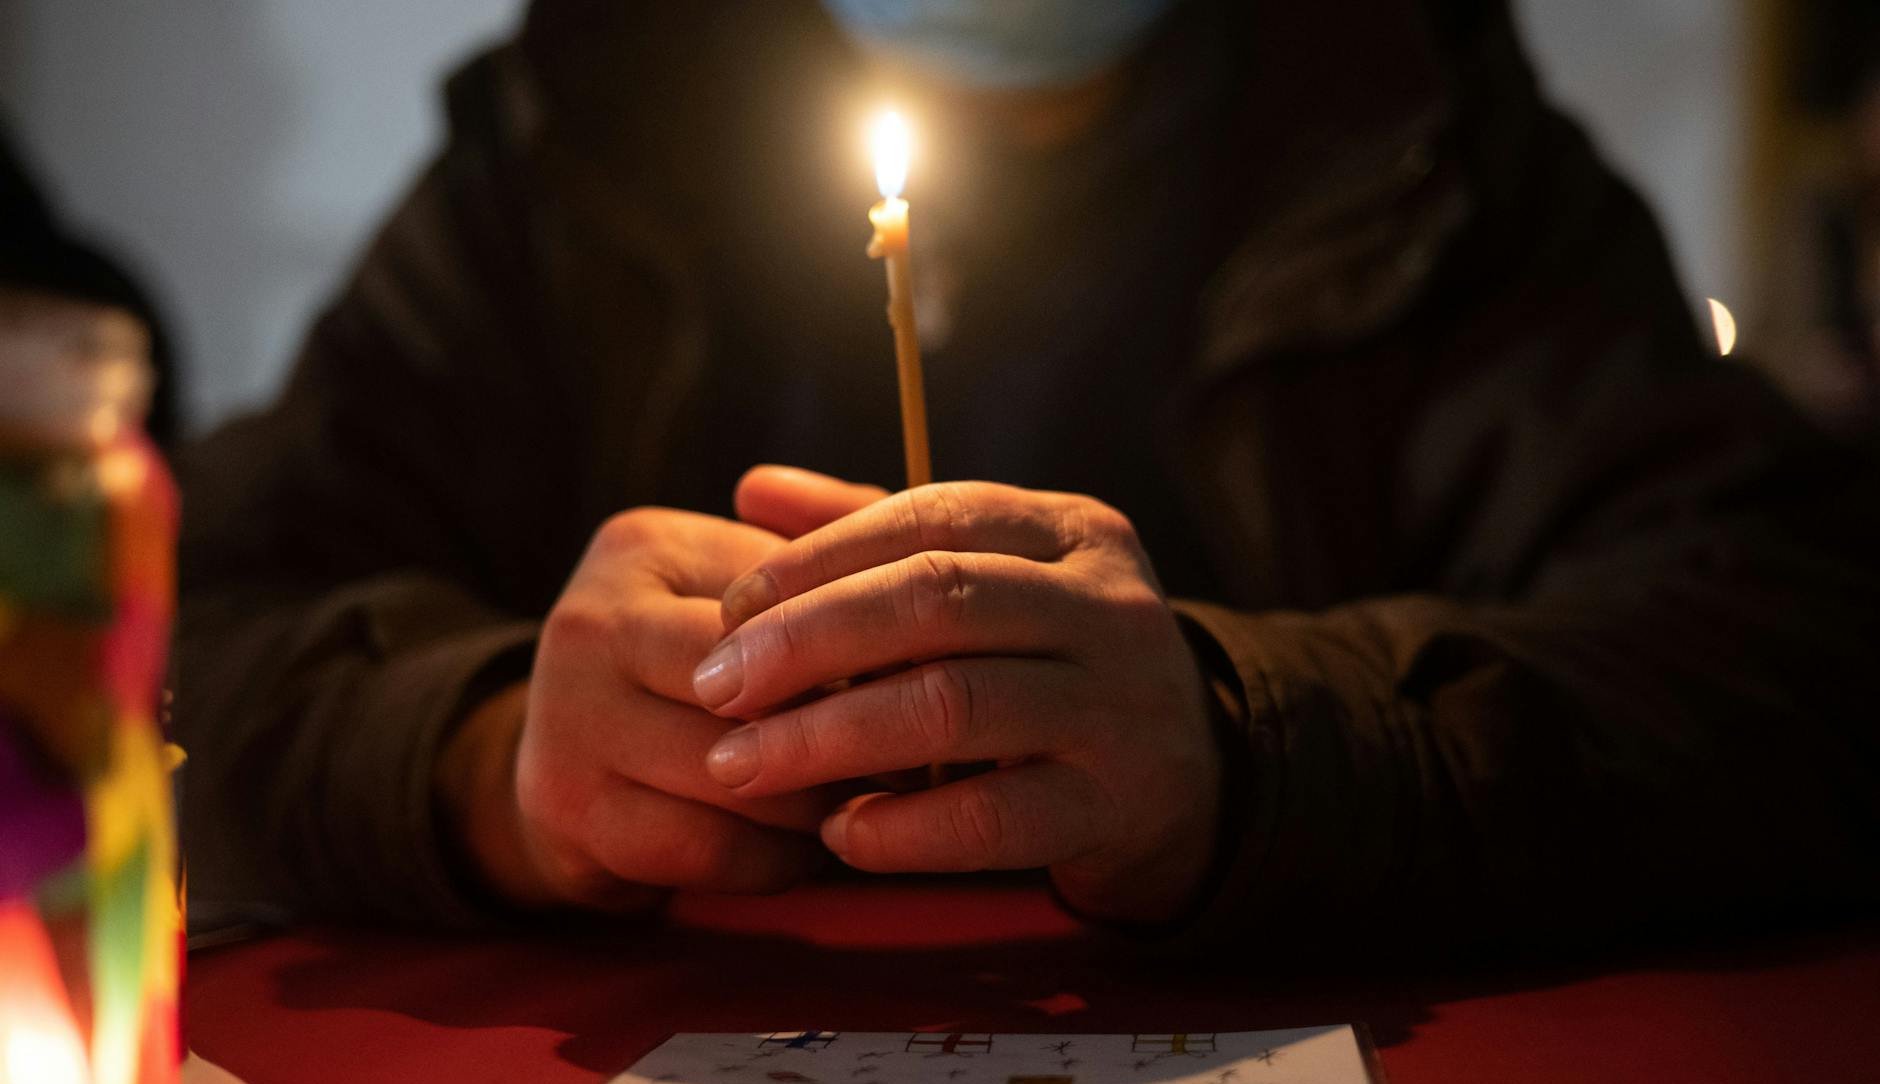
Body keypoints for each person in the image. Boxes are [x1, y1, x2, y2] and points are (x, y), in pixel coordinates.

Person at [176, 0, 1880, 948]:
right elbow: (181, 633)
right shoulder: (575, 127)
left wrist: (1246, 734)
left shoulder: (1418, 126)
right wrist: (489, 759)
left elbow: (1800, 657)